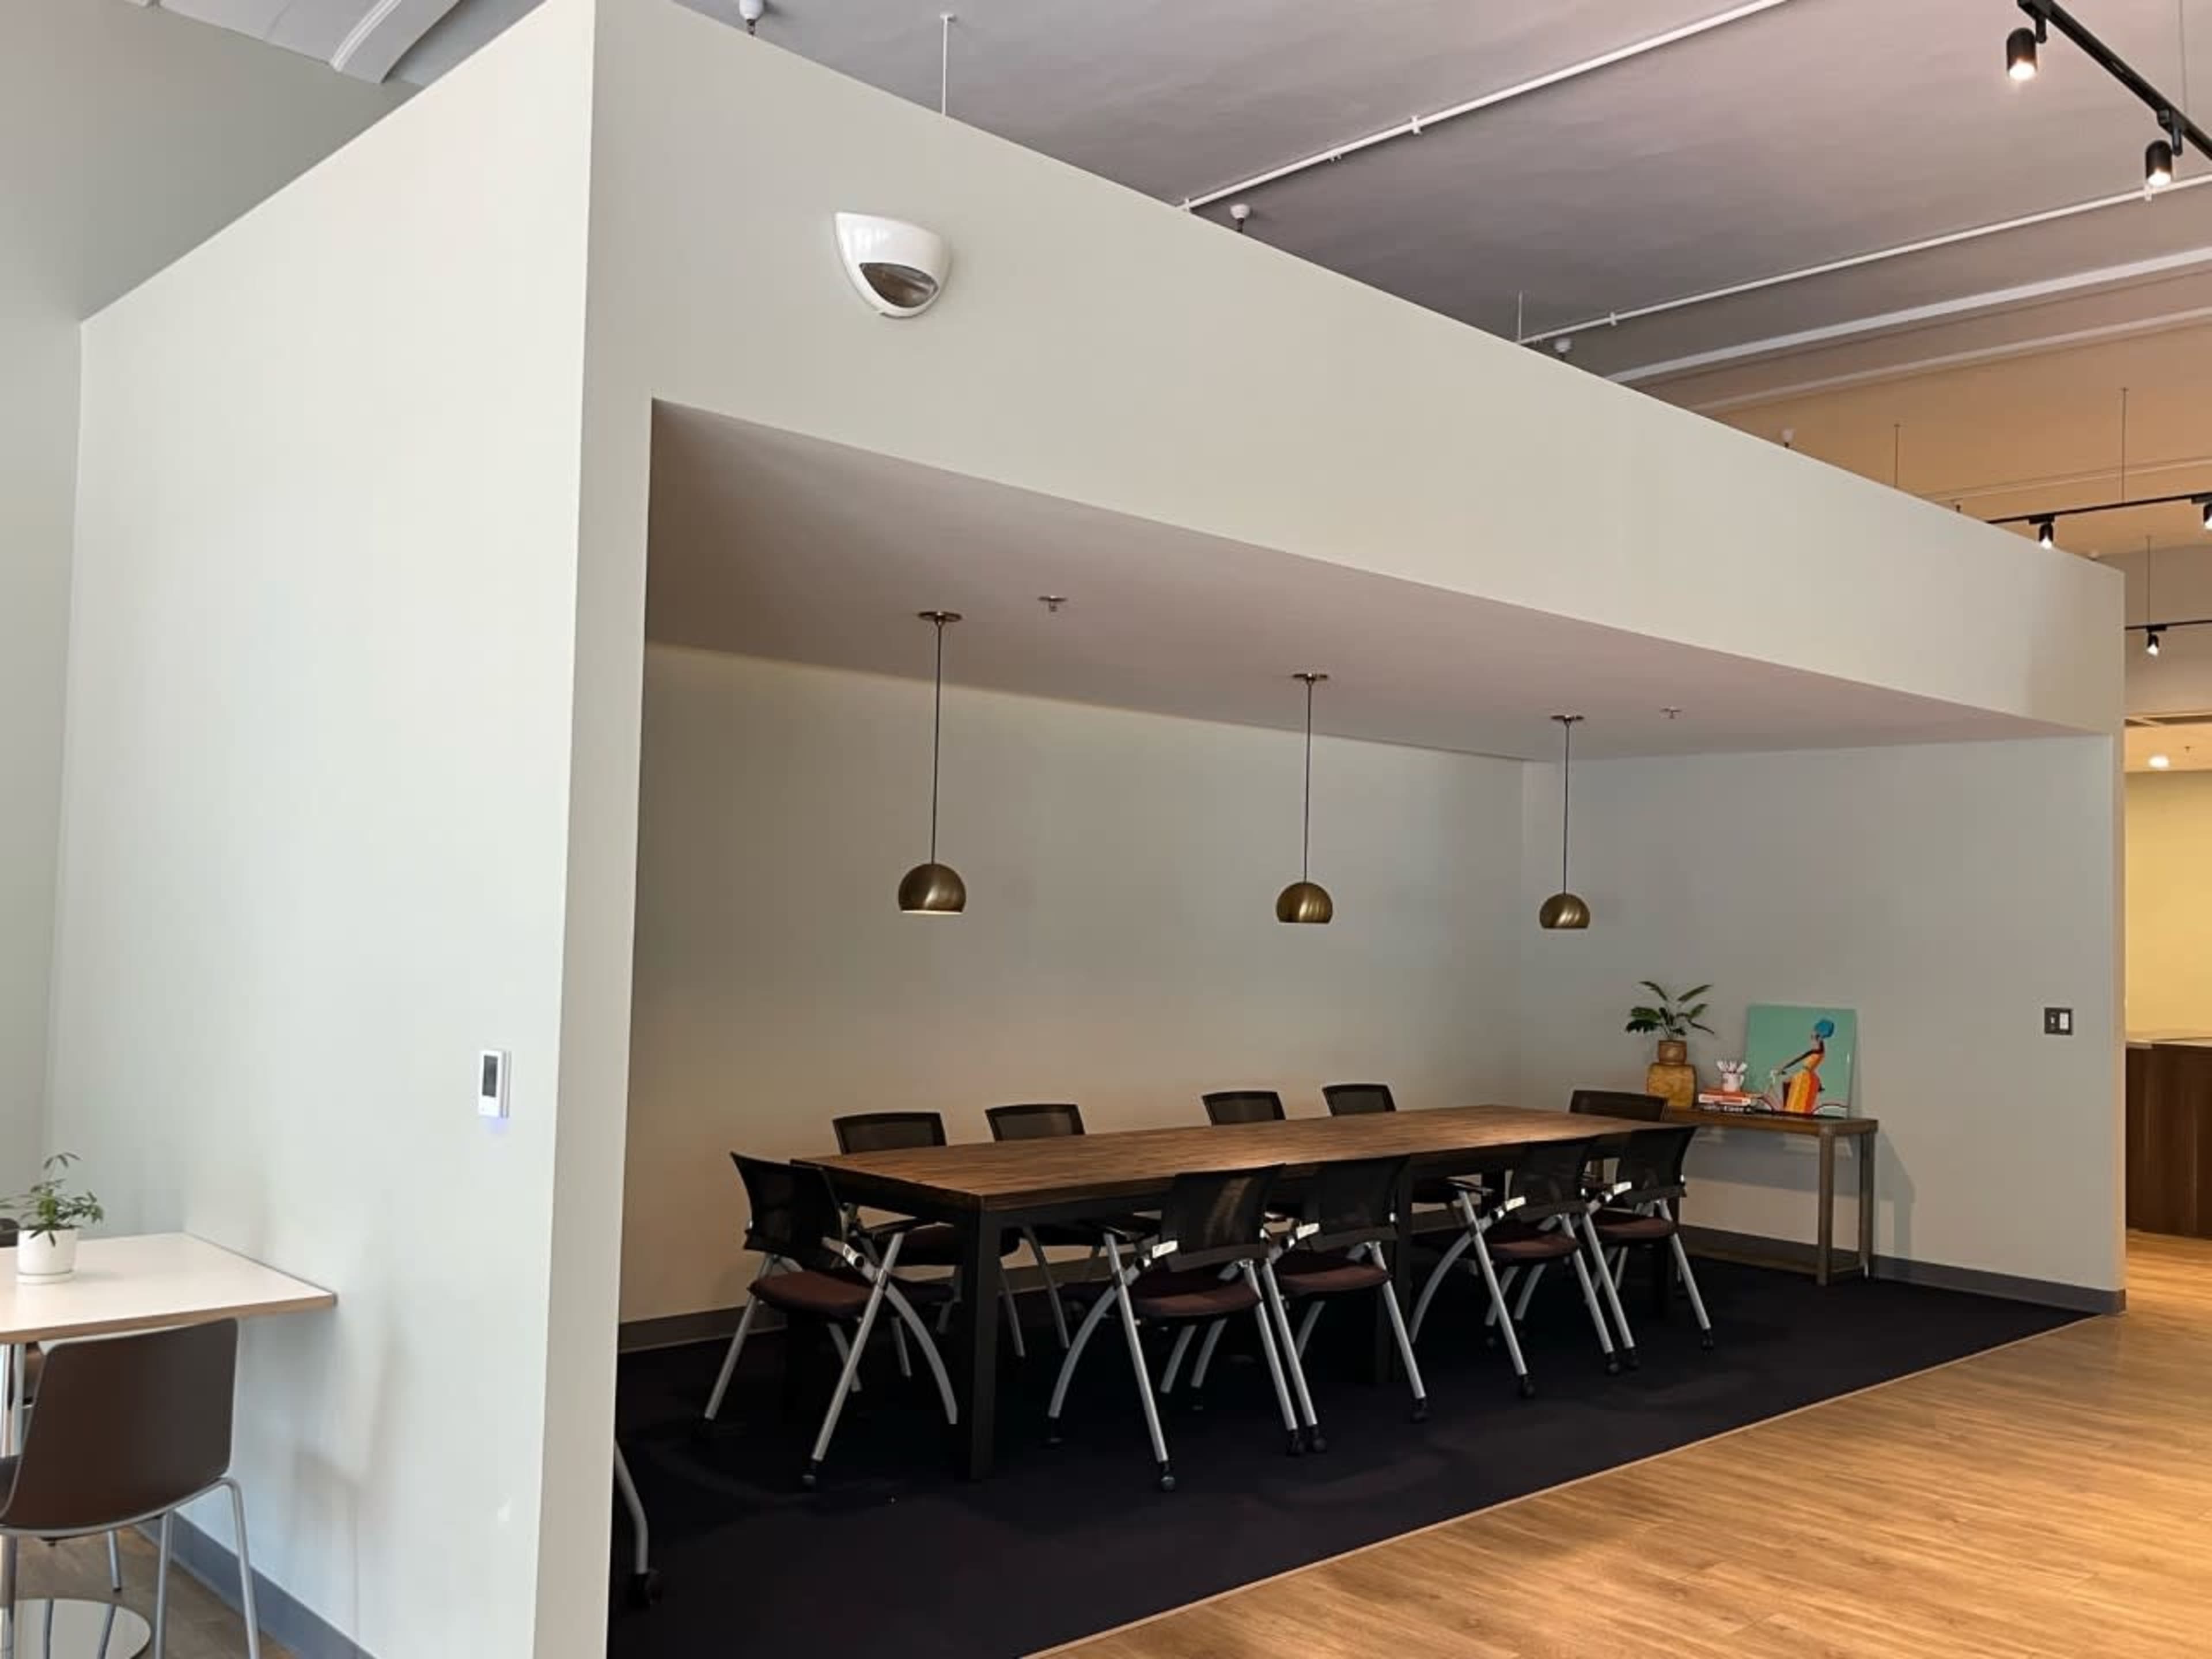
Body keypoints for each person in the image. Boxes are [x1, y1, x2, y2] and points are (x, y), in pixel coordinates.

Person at [1771, 1017, 1835, 1115]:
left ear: (1819, 1036)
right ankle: (1786, 1110)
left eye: (1814, 1032)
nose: (1811, 1034)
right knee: (1787, 1083)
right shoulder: (1821, 1050)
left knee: (1788, 1086)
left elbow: (1797, 1059)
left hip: (1804, 1076)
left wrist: (1782, 1068)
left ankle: (1786, 1110)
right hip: (1808, 1074)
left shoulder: (1816, 1050)